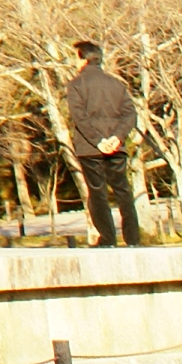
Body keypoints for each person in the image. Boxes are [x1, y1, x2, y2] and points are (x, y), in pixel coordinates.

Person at [66, 40, 143, 247]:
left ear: (83, 58)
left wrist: (98, 141)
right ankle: (133, 238)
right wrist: (117, 137)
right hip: (116, 146)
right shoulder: (116, 84)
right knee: (123, 190)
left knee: (97, 192)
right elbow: (130, 114)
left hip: (90, 148)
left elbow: (79, 117)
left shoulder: (76, 85)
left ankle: (108, 238)